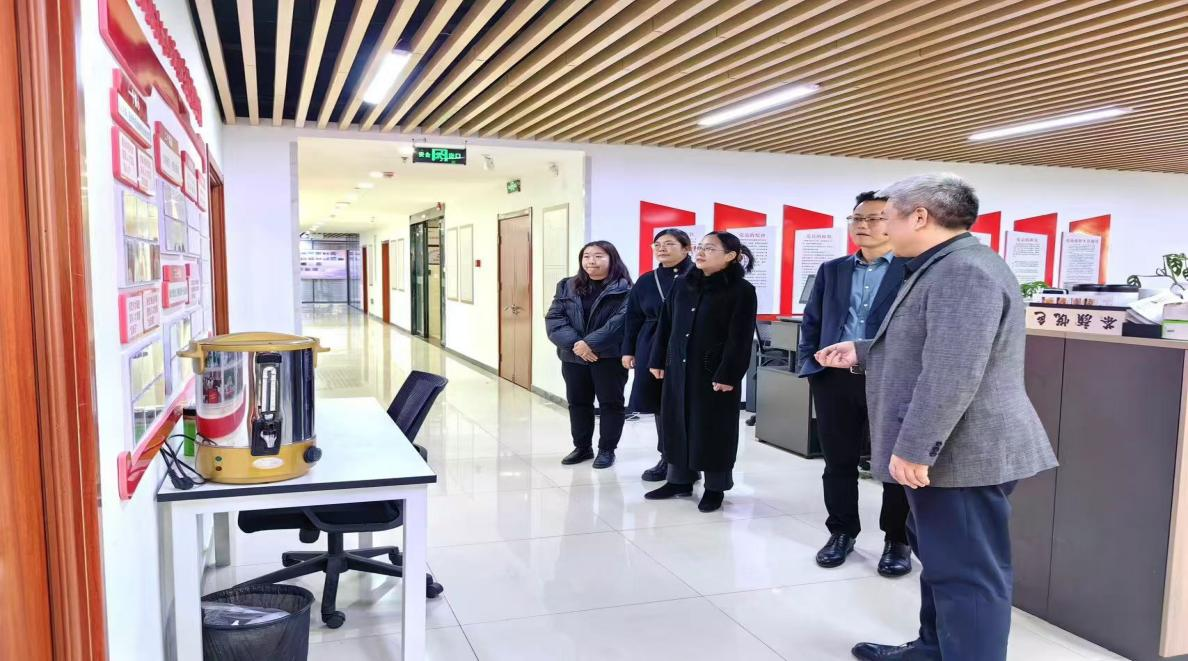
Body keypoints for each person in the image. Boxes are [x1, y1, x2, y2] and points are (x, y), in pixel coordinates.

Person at [815, 173, 1058, 661]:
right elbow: (931, 342)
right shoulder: (944, 264)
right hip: (952, 449)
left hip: (961, 454)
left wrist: (914, 447)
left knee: (968, 575)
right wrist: (864, 350)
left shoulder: (963, 271)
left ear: (920, 217)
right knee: (944, 562)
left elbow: (953, 370)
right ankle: (934, 648)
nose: (882, 227)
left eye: (889, 217)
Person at [798, 191, 912, 577]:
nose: (863, 225)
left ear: (895, 221)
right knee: (838, 461)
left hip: (889, 380)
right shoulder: (833, 269)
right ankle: (842, 532)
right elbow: (813, 320)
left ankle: (897, 539)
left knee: (893, 464)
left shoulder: (912, 269)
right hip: (834, 380)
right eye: (857, 218)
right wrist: (811, 363)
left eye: (875, 218)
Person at [646, 231, 758, 513]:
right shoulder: (682, 284)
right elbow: (665, 324)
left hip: (713, 371)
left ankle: (715, 488)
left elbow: (740, 338)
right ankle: (678, 481)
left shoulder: (741, 290)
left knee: (713, 428)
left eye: (710, 248)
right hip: (678, 367)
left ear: (731, 256)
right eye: (701, 247)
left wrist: (728, 374)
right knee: (676, 422)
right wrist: (658, 360)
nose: (701, 252)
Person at [546, 241, 633, 469]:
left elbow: (620, 323)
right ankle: (582, 447)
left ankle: (607, 450)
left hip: (609, 357)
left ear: (612, 259)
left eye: (598, 256)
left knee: (611, 404)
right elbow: (555, 319)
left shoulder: (626, 289)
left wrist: (589, 344)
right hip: (573, 357)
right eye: (586, 256)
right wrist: (577, 345)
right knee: (578, 403)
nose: (591, 261)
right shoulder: (566, 285)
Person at [621, 229, 695, 482]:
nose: (661, 248)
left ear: (687, 248)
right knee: (661, 405)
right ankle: (667, 457)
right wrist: (628, 350)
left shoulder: (697, 276)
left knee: (686, 403)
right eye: (657, 244)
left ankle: (691, 460)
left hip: (687, 345)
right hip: (651, 344)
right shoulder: (646, 280)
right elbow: (633, 318)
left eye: (669, 244)